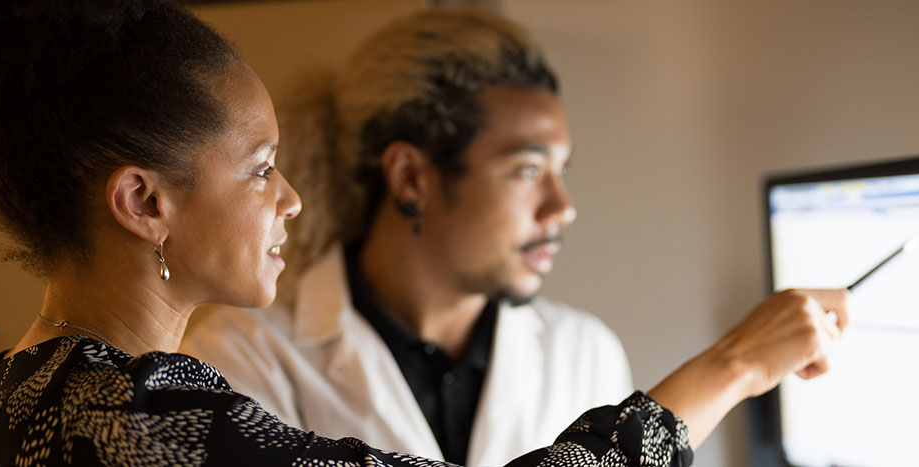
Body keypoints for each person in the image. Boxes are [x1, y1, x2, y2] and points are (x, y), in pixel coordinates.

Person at [0, 1, 848, 466]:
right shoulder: (139, 419)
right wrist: (732, 365)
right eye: (257, 167)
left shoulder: (10, 397)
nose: (290, 200)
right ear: (143, 202)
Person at [179, 10, 635, 465]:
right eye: (528, 170)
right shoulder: (240, 359)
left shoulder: (586, 355)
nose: (563, 207)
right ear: (410, 177)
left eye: (562, 170)